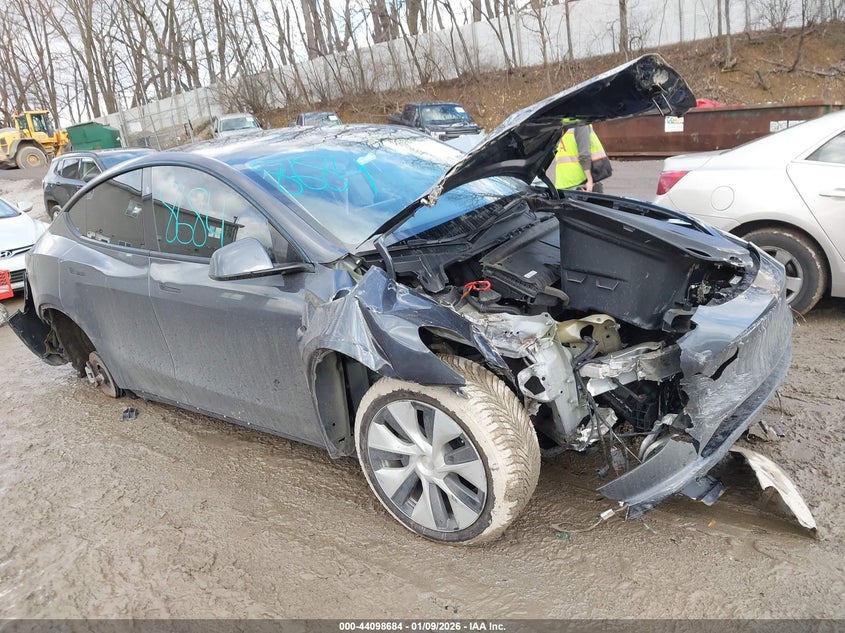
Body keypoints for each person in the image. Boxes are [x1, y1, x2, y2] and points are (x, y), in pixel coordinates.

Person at [554, 123, 612, 192]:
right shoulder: (581, 124)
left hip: (563, 182)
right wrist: (590, 180)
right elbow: (584, 155)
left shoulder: (560, 125)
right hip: (581, 181)